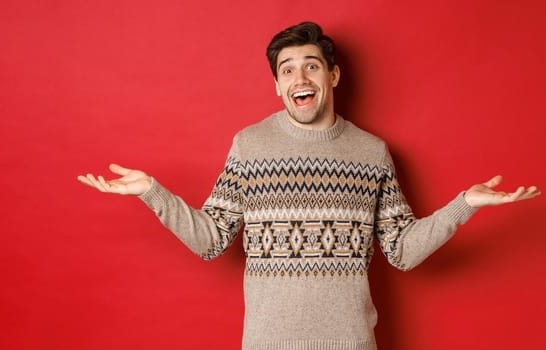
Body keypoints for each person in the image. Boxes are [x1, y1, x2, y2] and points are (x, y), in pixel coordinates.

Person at [76, 22, 539, 350]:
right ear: (277, 84)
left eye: (312, 66)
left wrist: (465, 204)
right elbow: (213, 239)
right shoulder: (250, 144)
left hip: (352, 342)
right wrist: (152, 193)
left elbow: (401, 250)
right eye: (288, 69)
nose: (300, 77)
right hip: (267, 343)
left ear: (332, 76)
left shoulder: (371, 152)